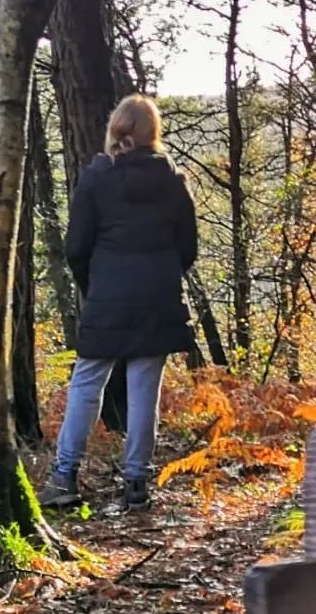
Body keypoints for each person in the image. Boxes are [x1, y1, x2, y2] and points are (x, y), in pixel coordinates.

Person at [39, 94, 198, 510]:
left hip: (107, 295)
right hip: (157, 298)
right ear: (153, 134)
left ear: (116, 130)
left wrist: (95, 285)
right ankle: (137, 484)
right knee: (144, 390)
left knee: (86, 384)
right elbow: (188, 248)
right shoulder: (173, 182)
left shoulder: (96, 180)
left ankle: (64, 477)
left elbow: (76, 247)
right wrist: (162, 276)